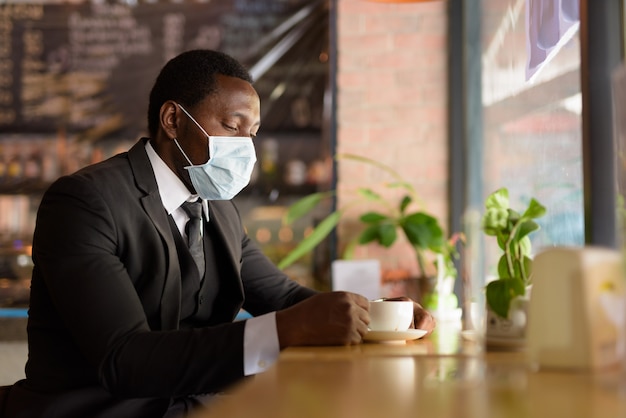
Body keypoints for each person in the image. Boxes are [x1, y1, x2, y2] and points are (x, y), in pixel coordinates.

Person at [3, 49, 435, 418]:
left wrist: (375, 316)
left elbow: (286, 300)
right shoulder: (85, 201)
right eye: (233, 126)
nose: (245, 147)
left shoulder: (220, 212)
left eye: (253, 133)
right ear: (173, 119)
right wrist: (282, 332)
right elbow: (123, 359)